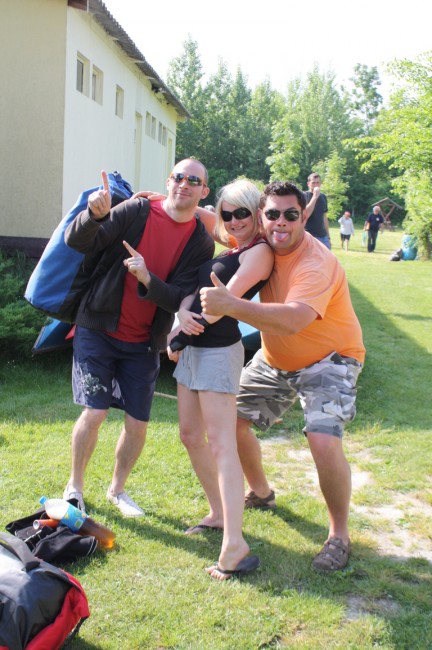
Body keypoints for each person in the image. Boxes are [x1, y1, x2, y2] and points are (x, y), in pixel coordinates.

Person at [200, 180, 366, 572]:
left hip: (330, 360)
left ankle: (339, 535)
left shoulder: (316, 262)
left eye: (291, 214)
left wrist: (230, 305)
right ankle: (261, 492)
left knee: (322, 439)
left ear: (304, 216)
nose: (281, 222)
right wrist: (163, 199)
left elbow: (293, 319)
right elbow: (216, 222)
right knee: (230, 423)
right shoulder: (262, 240)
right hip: (276, 359)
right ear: (262, 216)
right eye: (272, 214)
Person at [63, 158, 215, 516]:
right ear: (169, 181)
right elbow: (78, 241)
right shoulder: (136, 211)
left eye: (193, 180)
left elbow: (179, 297)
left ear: (204, 191)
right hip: (98, 327)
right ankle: (75, 487)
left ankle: (117, 490)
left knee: (137, 424)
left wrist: (147, 278)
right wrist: (93, 215)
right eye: (179, 177)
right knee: (95, 411)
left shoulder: (200, 242)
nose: (184, 184)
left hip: (145, 342)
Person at [167, 179, 274, 580]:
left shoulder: (259, 252)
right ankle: (217, 513)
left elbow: (223, 303)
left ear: (256, 213)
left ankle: (235, 544)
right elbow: (199, 214)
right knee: (190, 435)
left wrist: (180, 333)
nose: (233, 220)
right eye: (227, 214)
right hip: (193, 349)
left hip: (216, 351)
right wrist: (180, 317)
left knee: (221, 444)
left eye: (241, 213)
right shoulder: (232, 246)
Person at [304, 172, 331, 249]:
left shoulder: (323, 197)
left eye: (317, 182)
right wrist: (315, 197)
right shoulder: (304, 196)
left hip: (323, 236)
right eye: (313, 183)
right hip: (309, 236)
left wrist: (328, 236)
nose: (316, 185)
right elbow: (306, 214)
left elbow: (324, 217)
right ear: (308, 184)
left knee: (327, 256)